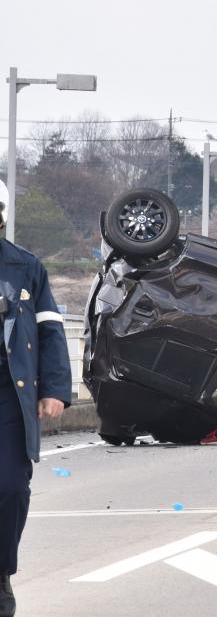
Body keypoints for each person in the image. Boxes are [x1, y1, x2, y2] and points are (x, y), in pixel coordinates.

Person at [0, 180, 70, 617]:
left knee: (9, 488)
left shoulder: (24, 267)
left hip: (9, 396)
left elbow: (50, 328)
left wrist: (56, 389)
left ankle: (0, 573)